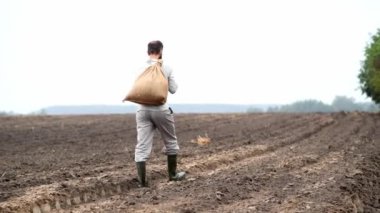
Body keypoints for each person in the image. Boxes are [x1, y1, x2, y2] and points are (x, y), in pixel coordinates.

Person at [134, 40, 186, 187]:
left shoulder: (140, 68)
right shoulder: (166, 67)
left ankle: (142, 181)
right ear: (161, 51)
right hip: (161, 109)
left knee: (142, 145)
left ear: (147, 51)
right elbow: (173, 89)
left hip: (142, 110)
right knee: (170, 141)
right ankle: (173, 175)